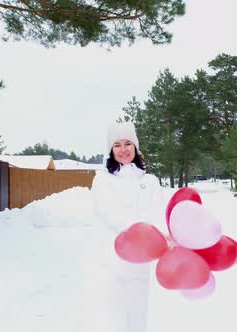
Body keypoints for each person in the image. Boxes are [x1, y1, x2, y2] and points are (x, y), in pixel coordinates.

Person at [89, 122, 166, 332]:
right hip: (111, 259)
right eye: (117, 145)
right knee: (113, 316)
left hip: (141, 260)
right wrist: (141, 229)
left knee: (138, 315)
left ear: (136, 147)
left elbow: (157, 211)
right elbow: (109, 213)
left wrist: (162, 236)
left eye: (127, 144)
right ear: (110, 150)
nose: (123, 150)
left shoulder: (150, 181)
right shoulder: (102, 180)